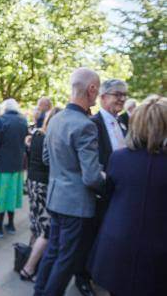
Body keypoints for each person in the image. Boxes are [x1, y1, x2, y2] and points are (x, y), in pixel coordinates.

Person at [34, 68, 105, 296]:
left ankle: (39, 292)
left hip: (55, 199)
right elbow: (92, 177)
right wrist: (107, 181)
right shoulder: (85, 125)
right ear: (91, 89)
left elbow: (46, 159)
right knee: (66, 260)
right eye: (98, 90)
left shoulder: (55, 120)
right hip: (76, 204)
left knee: (53, 252)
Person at [90, 95, 167, 296]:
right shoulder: (120, 157)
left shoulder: (119, 158)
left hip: (118, 245)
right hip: (156, 252)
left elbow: (109, 196)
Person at [74, 79, 128, 296]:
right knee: (88, 238)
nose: (122, 98)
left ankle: (101, 274)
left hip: (118, 193)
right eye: (117, 94)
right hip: (95, 192)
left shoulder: (123, 123)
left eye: (124, 94)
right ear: (103, 97)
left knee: (108, 238)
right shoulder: (92, 123)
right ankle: (82, 278)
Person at [20, 107, 61, 282]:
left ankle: (29, 261)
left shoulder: (37, 135)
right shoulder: (49, 138)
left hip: (33, 183)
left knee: (36, 224)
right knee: (46, 229)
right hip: (43, 185)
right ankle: (29, 268)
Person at [0, 98, 28, 238]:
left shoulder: (0, 120)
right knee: (11, 196)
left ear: (4, 108)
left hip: (1, 165)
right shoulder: (23, 121)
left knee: (1, 198)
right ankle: (11, 225)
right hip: (17, 166)